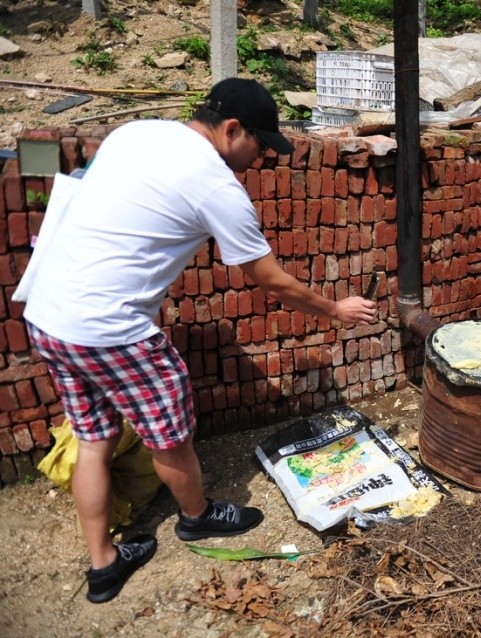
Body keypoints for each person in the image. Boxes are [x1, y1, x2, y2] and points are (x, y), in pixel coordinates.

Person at [21, 78, 378, 604]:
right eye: (259, 144)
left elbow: (98, 203)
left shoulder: (135, 133)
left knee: (93, 440)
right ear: (232, 129)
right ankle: (197, 517)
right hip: (112, 330)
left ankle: (102, 566)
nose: (260, 158)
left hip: (49, 315)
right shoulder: (217, 185)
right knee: (170, 435)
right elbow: (270, 279)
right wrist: (335, 309)